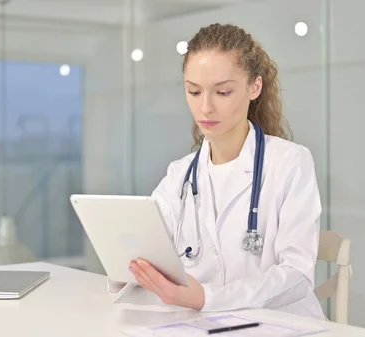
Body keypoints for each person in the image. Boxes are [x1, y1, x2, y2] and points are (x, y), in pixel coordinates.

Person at [107, 23, 326, 320]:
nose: (205, 107)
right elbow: (148, 251)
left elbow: (298, 275)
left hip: (279, 324)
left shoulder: (290, 163)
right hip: (201, 324)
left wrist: (207, 297)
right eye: (194, 91)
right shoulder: (179, 175)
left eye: (222, 92)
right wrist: (127, 266)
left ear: (254, 87)